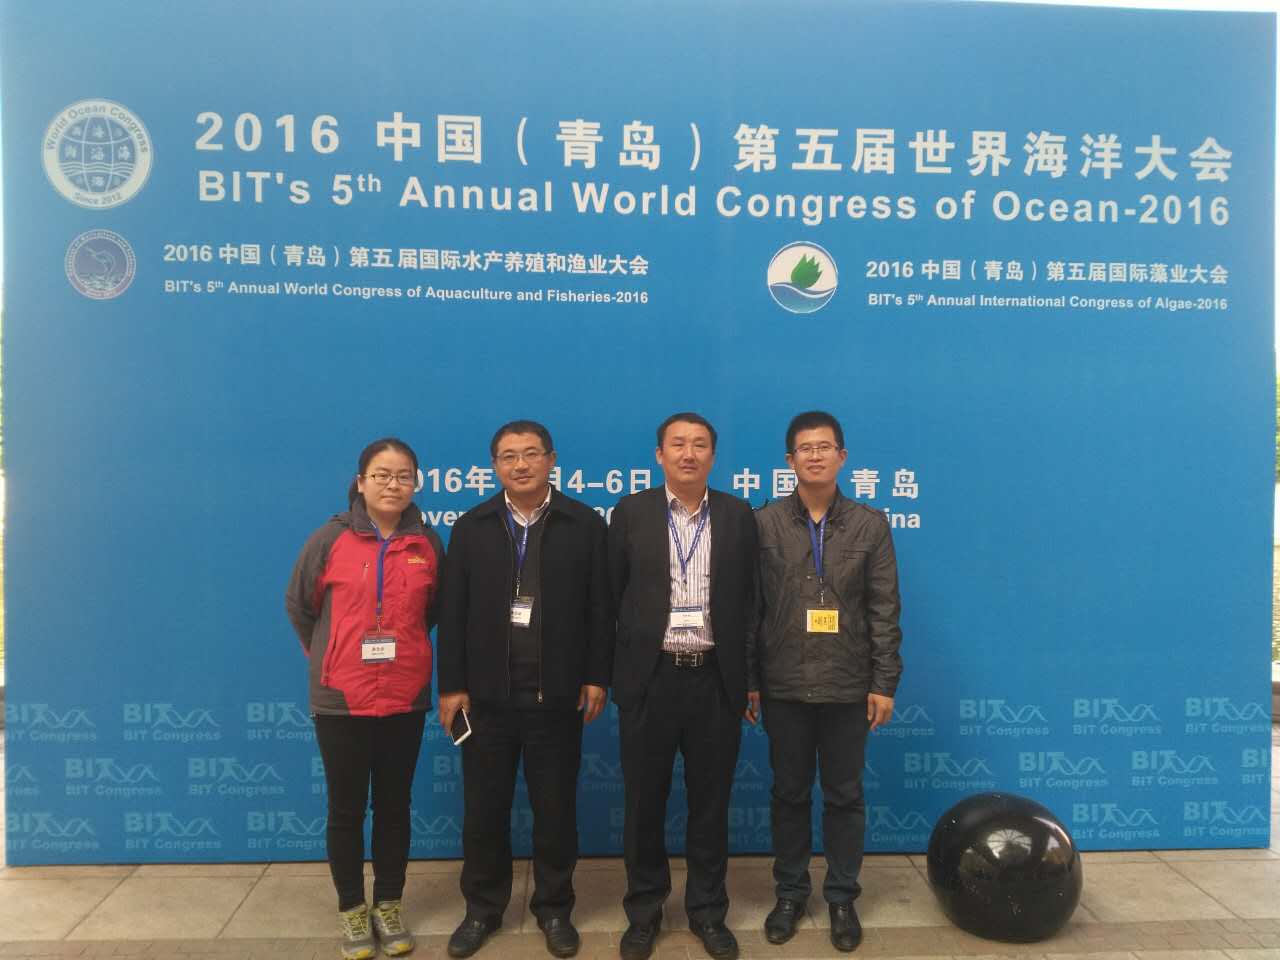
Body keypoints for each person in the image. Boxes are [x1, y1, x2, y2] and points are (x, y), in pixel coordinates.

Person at [436, 420, 613, 960]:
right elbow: (452, 612)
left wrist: (596, 675)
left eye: (531, 454)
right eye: (509, 456)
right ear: (495, 466)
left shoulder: (583, 523)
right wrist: (452, 686)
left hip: (555, 699)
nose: (521, 464)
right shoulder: (472, 527)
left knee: (555, 812)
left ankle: (554, 908)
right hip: (486, 702)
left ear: (551, 460)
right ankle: (482, 909)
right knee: (483, 813)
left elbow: (600, 607)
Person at [749, 412, 903, 952]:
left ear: (842, 456)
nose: (814, 456)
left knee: (844, 795)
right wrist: (749, 679)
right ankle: (790, 894)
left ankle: (841, 896)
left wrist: (884, 682)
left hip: (847, 684)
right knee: (788, 794)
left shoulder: (869, 525)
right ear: (789, 460)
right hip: (784, 683)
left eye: (824, 447)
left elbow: (884, 609)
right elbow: (750, 609)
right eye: (804, 448)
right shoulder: (764, 523)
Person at [286, 438, 445, 960]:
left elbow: (433, 610)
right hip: (342, 698)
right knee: (347, 808)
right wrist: (329, 655)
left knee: (395, 806)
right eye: (381, 475)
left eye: (403, 476)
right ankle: (353, 910)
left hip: (405, 695)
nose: (392, 485)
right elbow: (300, 605)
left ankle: (389, 905)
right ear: (360, 482)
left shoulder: (427, 543)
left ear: (415, 483)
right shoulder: (328, 540)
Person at [608, 412, 758, 960]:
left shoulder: (738, 515)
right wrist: (620, 674)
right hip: (651, 679)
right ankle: (644, 912)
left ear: (713, 456)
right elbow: (612, 596)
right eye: (677, 444)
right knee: (643, 804)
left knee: (711, 804)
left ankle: (708, 911)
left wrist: (750, 680)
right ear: (659, 454)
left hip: (715, 680)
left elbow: (752, 603)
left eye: (699, 445)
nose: (688, 453)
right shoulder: (631, 513)